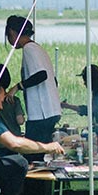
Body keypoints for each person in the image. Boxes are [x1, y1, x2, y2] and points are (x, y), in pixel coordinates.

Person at [5, 15, 61, 143]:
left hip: (42, 113)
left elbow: (41, 75)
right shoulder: (37, 48)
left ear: (12, 32)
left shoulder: (29, 49)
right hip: (50, 110)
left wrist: (16, 87)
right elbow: (53, 80)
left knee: (33, 149)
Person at [62, 64, 98, 152]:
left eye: (85, 81)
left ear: (91, 81)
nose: (84, 83)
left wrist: (67, 106)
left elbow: (89, 110)